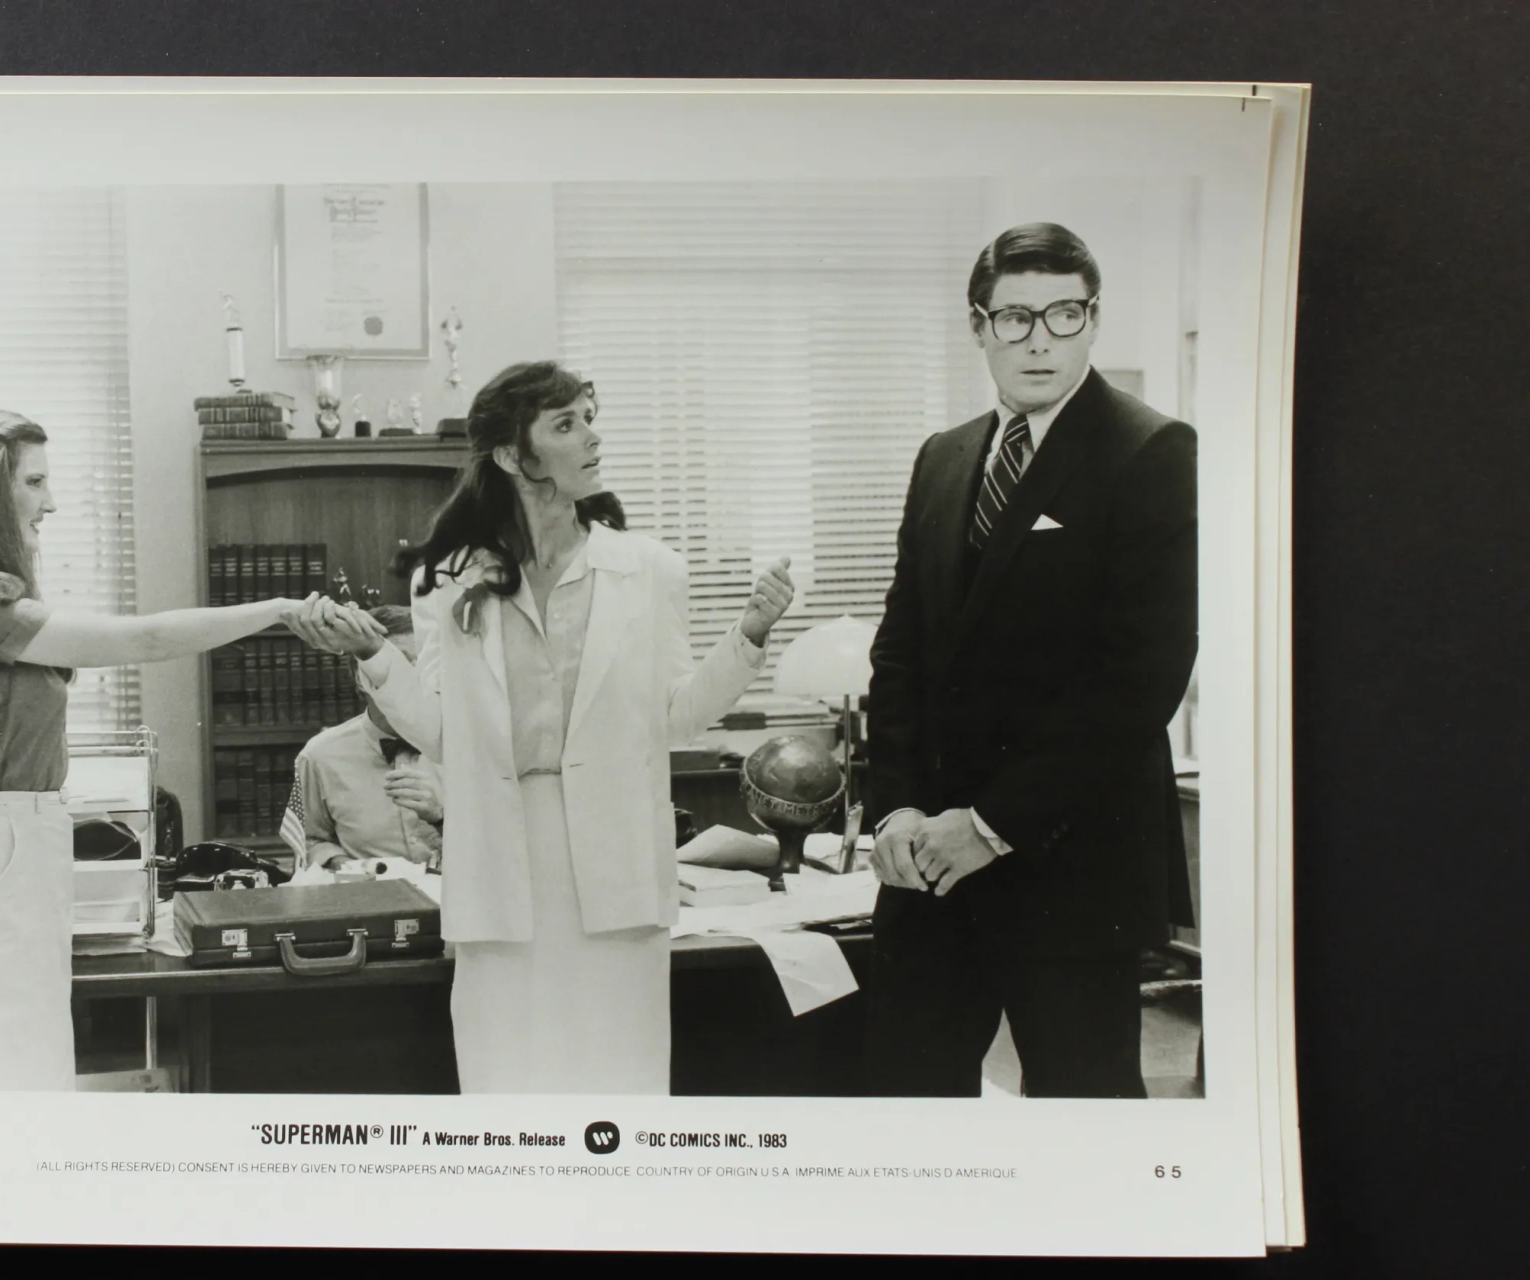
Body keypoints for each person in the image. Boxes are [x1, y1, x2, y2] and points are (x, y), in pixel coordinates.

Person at [286, 361, 794, 1095]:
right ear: (510, 455)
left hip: (617, 866)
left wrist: (748, 634)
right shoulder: (447, 579)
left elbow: (676, 717)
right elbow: (439, 734)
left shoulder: (649, 569)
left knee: (620, 1096)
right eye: (566, 424)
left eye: (590, 417)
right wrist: (372, 653)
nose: (592, 437)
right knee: (508, 1096)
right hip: (499, 863)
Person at [0, 408, 378, 1091]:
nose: (51, 502)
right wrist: (276, 610)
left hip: (11, 859)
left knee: (21, 1095)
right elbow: (144, 640)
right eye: (33, 483)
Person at [864, 223, 1198, 1098]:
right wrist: (894, 806)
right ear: (978, 326)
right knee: (905, 1111)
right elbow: (899, 653)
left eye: (1064, 313)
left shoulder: (1154, 450)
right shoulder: (941, 458)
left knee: (1084, 1124)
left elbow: (1139, 679)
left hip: (1069, 865)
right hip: (927, 866)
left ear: (1093, 321)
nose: (1040, 338)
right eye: (1015, 318)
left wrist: (987, 825)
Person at [282, 605, 445, 870]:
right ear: (362, 677)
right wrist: (342, 864)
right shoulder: (318, 755)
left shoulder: (467, 748)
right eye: (401, 663)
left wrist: (441, 818)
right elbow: (307, 839)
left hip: (456, 903)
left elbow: (499, 838)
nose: (415, 677)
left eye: (423, 663)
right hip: (367, 902)